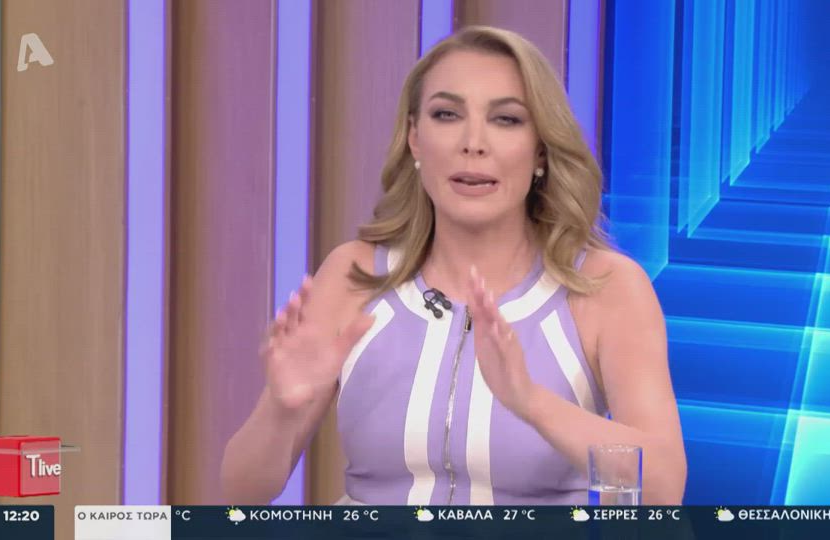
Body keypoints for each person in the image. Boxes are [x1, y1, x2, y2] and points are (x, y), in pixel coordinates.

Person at [221, 25, 686, 505]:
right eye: (447, 114)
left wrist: (529, 400)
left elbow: (663, 486)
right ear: (415, 138)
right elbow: (240, 494)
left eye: (506, 119)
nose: (473, 143)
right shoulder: (353, 274)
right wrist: (281, 410)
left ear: (541, 150)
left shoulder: (606, 286)